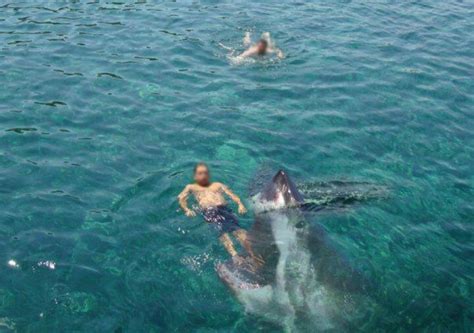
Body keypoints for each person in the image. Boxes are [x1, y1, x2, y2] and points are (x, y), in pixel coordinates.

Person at [178, 163, 259, 265]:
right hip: (209, 211)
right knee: (222, 232)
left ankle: (253, 254)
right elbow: (181, 198)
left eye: (205, 173)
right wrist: (187, 210)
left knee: (237, 230)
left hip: (224, 209)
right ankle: (234, 255)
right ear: (195, 176)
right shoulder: (191, 187)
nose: (203, 175)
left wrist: (240, 204)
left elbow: (231, 194)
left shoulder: (218, 185)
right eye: (200, 173)